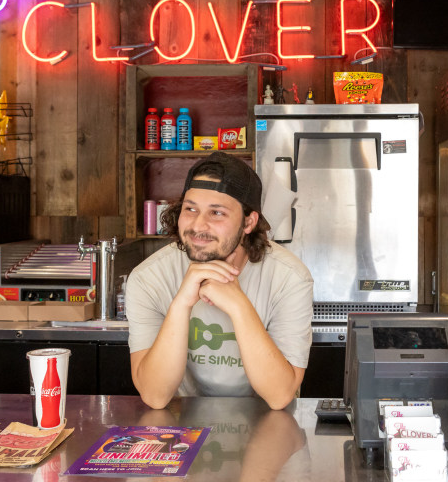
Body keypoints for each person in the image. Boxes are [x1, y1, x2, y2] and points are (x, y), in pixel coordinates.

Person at [126, 151, 314, 410]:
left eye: (217, 213)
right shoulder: (148, 278)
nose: (198, 225)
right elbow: (155, 396)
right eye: (190, 209)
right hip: (183, 425)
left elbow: (279, 395)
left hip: (266, 427)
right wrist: (181, 304)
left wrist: (238, 305)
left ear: (248, 222)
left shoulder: (290, 279)